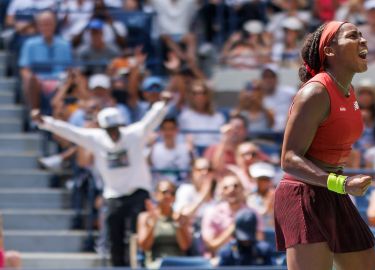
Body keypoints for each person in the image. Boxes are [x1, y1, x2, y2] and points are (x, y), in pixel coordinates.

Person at [274, 21, 375, 270]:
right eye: (353, 36)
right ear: (330, 51)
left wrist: (339, 183)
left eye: (362, 35)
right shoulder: (315, 93)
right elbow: (288, 159)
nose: (363, 40)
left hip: (333, 191)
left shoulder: (349, 90)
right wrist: (341, 183)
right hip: (302, 196)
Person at [30, 95, 170, 266]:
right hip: (113, 195)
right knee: (115, 238)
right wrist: (44, 121)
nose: (113, 134)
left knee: (138, 235)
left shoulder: (134, 134)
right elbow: (70, 131)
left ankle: (140, 266)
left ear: (121, 126)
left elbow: (152, 119)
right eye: (109, 130)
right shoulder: (96, 138)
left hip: (137, 192)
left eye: (115, 129)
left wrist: (162, 103)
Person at [201, 174, 264, 257]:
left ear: (242, 189)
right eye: (226, 187)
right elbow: (211, 247)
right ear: (221, 192)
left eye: (235, 186)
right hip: (218, 260)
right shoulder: (211, 213)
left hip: (247, 259)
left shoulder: (253, 213)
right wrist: (235, 226)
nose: (231, 190)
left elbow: (259, 241)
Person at [137, 180, 192, 269]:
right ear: (156, 195)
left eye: (172, 193)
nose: (168, 196)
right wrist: (153, 224)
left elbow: (184, 246)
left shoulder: (180, 217)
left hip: (179, 264)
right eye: (164, 192)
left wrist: (178, 225)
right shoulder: (145, 217)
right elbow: (145, 247)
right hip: (156, 264)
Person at [247, 162, 276, 228]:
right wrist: (267, 209)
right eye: (260, 179)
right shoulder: (250, 196)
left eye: (266, 179)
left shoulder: (276, 195)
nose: (263, 182)